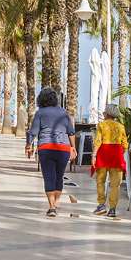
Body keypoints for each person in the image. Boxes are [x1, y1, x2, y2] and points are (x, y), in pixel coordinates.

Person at [24, 87, 75, 216]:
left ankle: (52, 207)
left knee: (49, 176)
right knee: (59, 175)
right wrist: (73, 147)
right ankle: (57, 202)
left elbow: (33, 131)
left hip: (46, 147)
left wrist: (28, 145)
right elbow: (71, 132)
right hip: (63, 148)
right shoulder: (64, 112)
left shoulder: (40, 113)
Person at [91, 103, 128, 218]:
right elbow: (125, 145)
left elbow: (98, 142)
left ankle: (101, 205)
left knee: (100, 181)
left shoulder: (101, 125)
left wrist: (94, 155)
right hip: (116, 155)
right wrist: (120, 153)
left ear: (107, 114)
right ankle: (112, 209)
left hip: (103, 153)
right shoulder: (121, 126)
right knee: (115, 184)